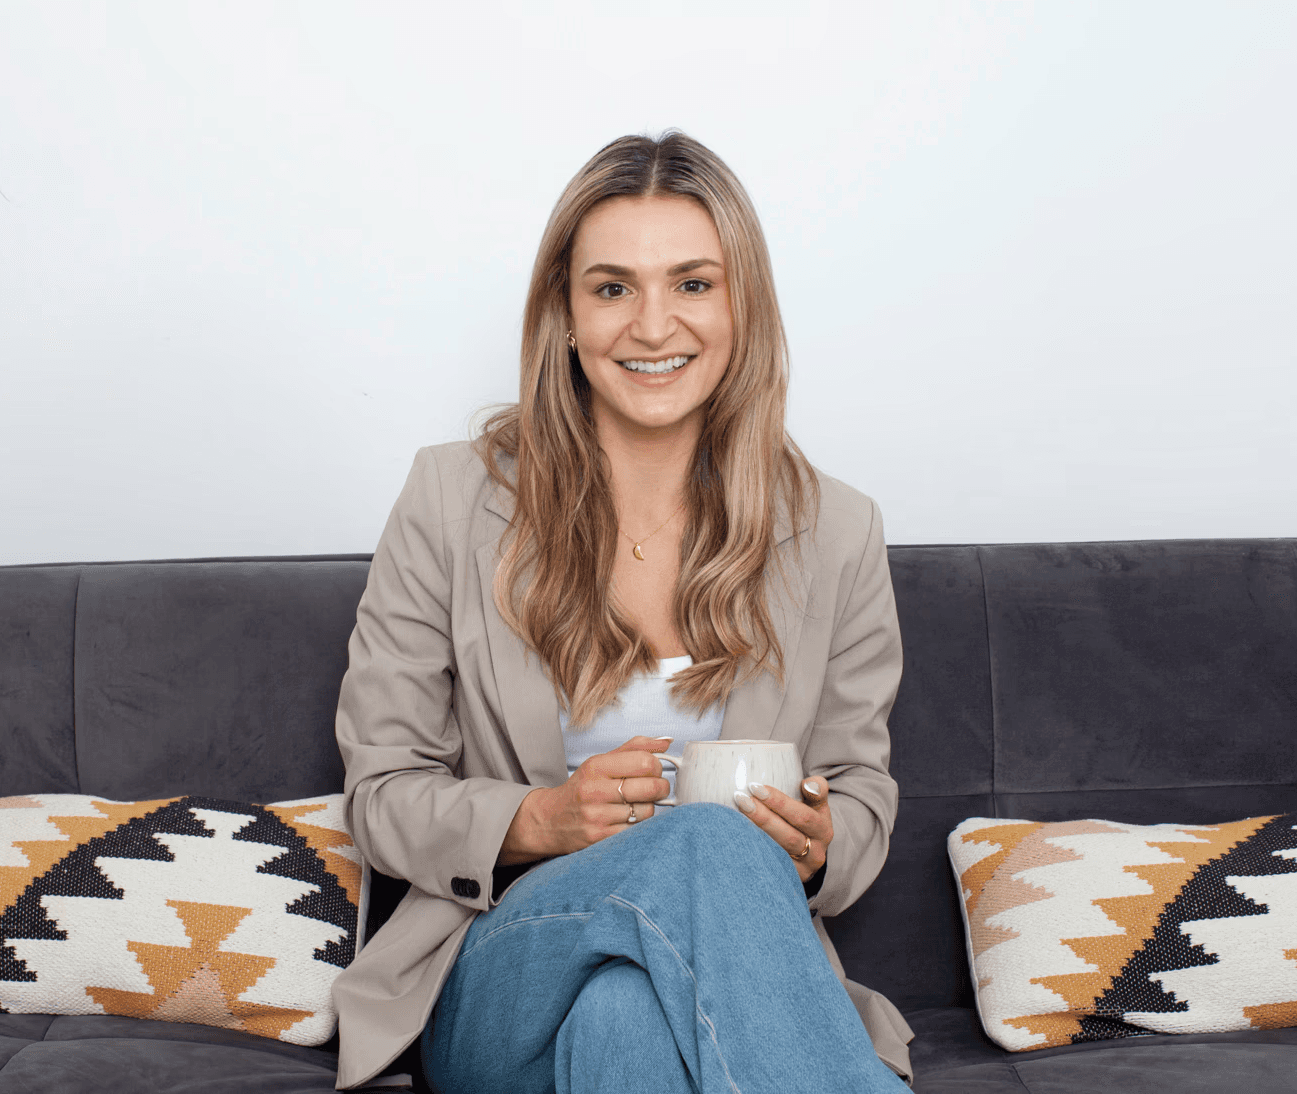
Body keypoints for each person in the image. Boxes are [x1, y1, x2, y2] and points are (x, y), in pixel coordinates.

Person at [332, 131, 913, 1093]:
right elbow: (381, 793)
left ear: (742, 309)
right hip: (500, 974)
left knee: (626, 1024)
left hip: (712, 985)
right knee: (703, 844)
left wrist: (819, 845)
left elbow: (859, 791)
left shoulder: (836, 529)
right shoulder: (448, 500)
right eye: (612, 288)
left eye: (692, 284)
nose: (652, 326)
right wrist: (541, 819)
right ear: (564, 313)